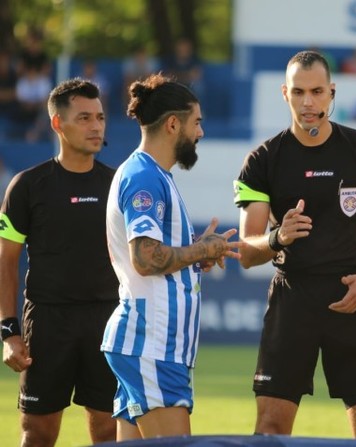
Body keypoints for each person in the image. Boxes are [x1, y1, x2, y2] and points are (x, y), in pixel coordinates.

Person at [234, 50, 356, 439]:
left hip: (353, 297)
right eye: (298, 92)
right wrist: (278, 237)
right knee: (271, 427)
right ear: (285, 94)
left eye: (316, 91)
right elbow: (246, 251)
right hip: (292, 298)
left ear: (332, 92)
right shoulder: (264, 159)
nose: (308, 102)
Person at [101, 73, 243, 441]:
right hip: (152, 346)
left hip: (151, 346)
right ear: (173, 124)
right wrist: (202, 249)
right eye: (197, 123)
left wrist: (197, 255)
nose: (201, 133)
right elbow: (145, 259)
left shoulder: (154, 175)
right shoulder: (144, 177)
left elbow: (158, 256)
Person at [0, 78, 119, 447]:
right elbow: (6, 262)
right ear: (57, 124)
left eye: (99, 117)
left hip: (107, 320)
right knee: (37, 434)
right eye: (84, 118)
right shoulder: (27, 186)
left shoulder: (118, 185)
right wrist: (8, 330)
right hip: (48, 323)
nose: (96, 126)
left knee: (108, 432)